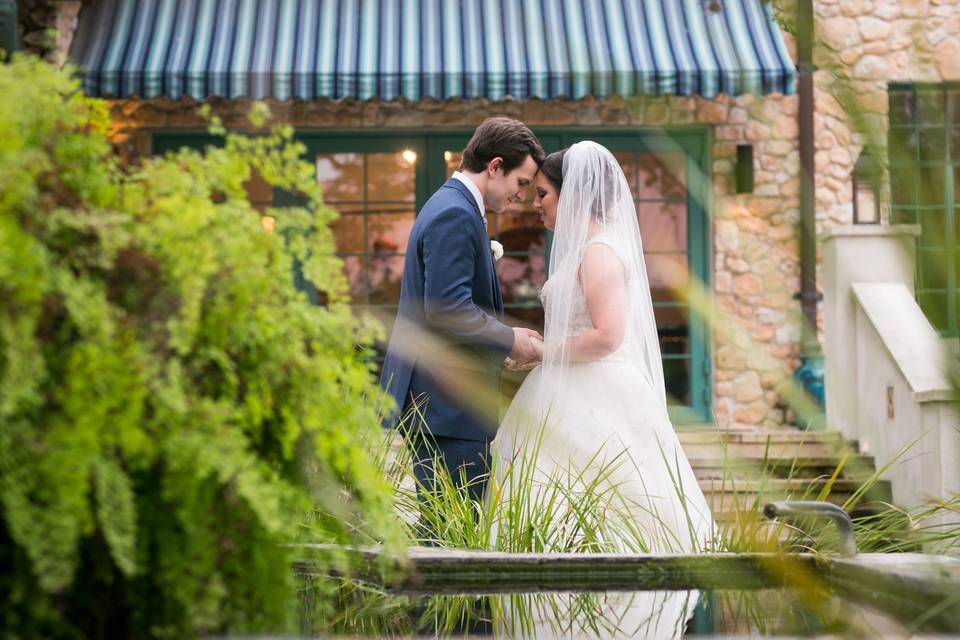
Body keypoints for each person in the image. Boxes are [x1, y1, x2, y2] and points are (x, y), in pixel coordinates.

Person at [493, 141, 714, 554]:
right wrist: (546, 349)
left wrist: (543, 352)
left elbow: (609, 336)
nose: (535, 205)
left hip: (598, 393)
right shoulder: (580, 251)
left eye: (543, 194)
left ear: (574, 194)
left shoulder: (598, 253)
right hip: (562, 387)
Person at [379, 117, 545, 524]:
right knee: (454, 535)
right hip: (446, 407)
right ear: (494, 167)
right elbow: (448, 309)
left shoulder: (454, 206)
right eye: (521, 183)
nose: (522, 196)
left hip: (445, 404)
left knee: (450, 532)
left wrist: (501, 344)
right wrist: (509, 340)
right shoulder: (455, 213)